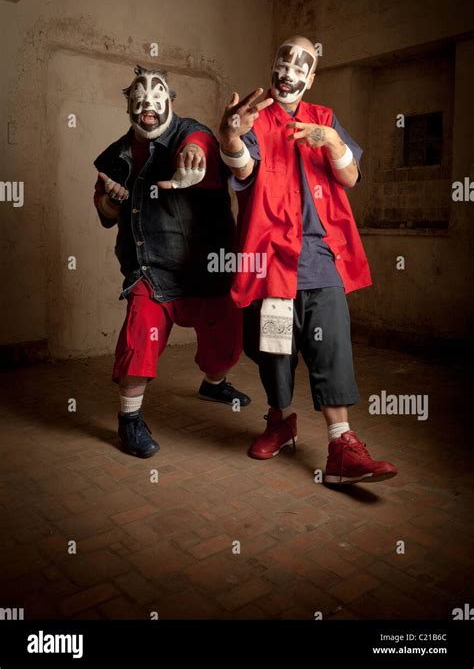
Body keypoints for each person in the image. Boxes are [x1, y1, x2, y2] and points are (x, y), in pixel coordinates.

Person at [217, 37, 397, 484]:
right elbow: (242, 170)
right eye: (283, 60)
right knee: (275, 351)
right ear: (273, 65)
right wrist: (231, 135)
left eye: (302, 64)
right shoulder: (255, 119)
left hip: (319, 256)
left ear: (311, 77)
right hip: (270, 258)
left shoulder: (325, 118)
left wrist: (333, 141)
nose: (289, 71)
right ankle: (281, 422)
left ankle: (342, 445)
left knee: (331, 343)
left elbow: (350, 176)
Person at [93, 65, 250, 459]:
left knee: (225, 339)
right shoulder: (115, 155)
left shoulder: (192, 133)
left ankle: (214, 383)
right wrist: (111, 199)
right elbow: (105, 213)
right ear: (128, 103)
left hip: (205, 265)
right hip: (151, 266)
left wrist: (194, 155)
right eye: (139, 98)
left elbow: (198, 147)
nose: (147, 104)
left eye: (155, 96)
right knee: (138, 336)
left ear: (170, 101)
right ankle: (129, 420)